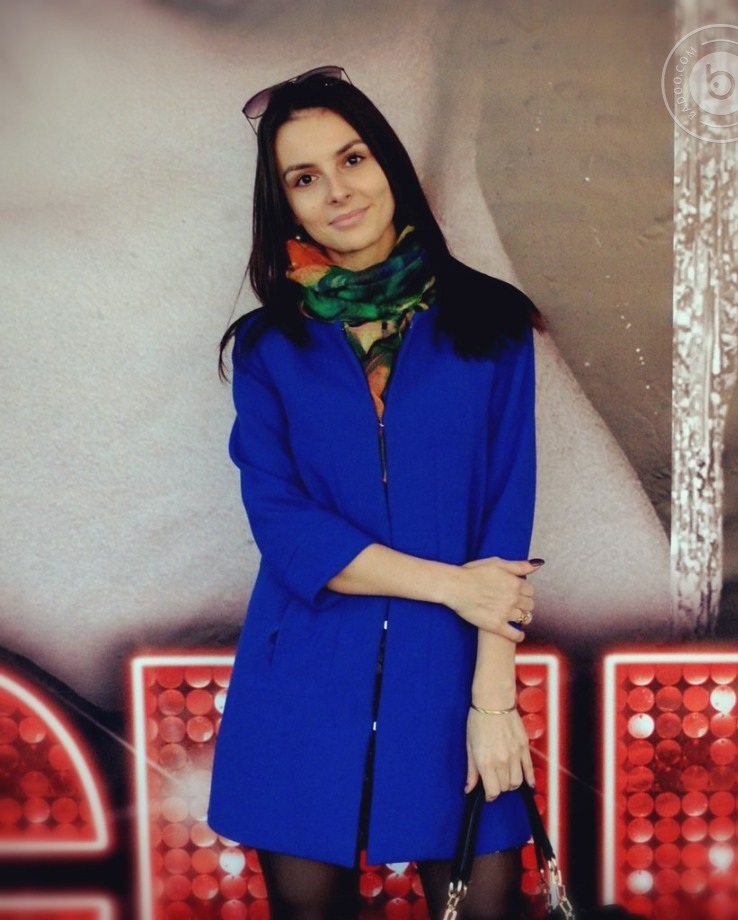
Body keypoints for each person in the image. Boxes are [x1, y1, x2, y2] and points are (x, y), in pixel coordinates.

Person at [207, 67, 546, 920]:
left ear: (388, 162)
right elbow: (285, 527)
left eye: (351, 158)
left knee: (483, 908)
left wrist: (493, 702)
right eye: (304, 177)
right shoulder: (267, 349)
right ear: (285, 205)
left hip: (451, 673)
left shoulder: (492, 323)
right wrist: (451, 585)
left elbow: (505, 523)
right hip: (303, 675)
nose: (337, 191)